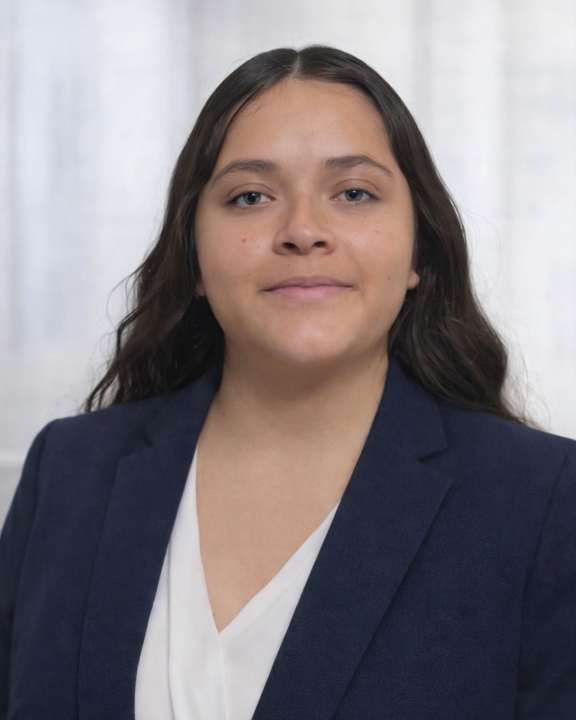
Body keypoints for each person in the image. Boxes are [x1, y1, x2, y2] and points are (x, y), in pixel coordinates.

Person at [0, 45, 574, 720]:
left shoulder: (544, 502)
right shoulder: (68, 472)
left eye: (354, 193)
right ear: (192, 255)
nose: (303, 231)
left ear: (419, 248)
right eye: (250, 197)